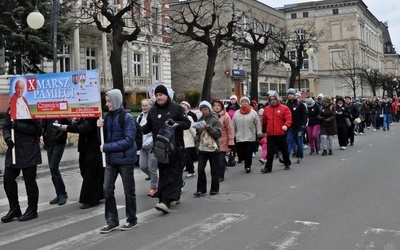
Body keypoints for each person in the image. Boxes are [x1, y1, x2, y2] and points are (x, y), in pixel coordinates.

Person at [141, 84, 191, 214]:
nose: (159, 97)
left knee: (172, 173)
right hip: (160, 149)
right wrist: (135, 127)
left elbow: (187, 124)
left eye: (161, 95)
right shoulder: (153, 111)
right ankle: (171, 196)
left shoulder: (176, 108)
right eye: (156, 95)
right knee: (163, 174)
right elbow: (147, 127)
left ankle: (165, 201)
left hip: (175, 147)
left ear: (166, 95)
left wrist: (177, 124)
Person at [97, 89, 138, 233]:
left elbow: (128, 141)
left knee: (129, 191)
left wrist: (107, 147)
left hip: (125, 159)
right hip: (111, 160)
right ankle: (112, 221)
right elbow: (103, 138)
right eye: (106, 101)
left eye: (108, 101)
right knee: (107, 190)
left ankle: (132, 219)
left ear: (115, 101)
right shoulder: (108, 117)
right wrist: (99, 128)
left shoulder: (126, 117)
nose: (106, 104)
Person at [2, 108, 42, 222]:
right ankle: (14, 208)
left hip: (29, 150)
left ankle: (32, 209)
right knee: (8, 179)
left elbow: (38, 130)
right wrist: (8, 138)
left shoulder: (31, 108)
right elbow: (6, 127)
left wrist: (18, 125)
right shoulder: (11, 109)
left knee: (29, 181)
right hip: (14, 151)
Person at [59, 117, 104, 209]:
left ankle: (89, 200)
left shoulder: (94, 116)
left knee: (89, 174)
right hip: (84, 148)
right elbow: (81, 126)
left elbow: (85, 128)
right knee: (84, 171)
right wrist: (75, 122)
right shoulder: (85, 117)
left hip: (93, 148)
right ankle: (98, 194)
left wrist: (67, 127)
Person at [193, 101, 221, 197]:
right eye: (202, 110)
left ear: (209, 109)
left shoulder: (215, 119)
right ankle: (201, 189)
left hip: (213, 148)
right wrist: (196, 139)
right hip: (202, 148)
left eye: (205, 109)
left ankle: (214, 188)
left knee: (214, 170)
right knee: (200, 169)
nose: (204, 111)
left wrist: (209, 128)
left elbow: (218, 134)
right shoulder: (200, 119)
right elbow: (198, 133)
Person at [261, 91, 292, 173]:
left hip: (281, 133)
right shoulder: (267, 109)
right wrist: (264, 130)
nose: (272, 101)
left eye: (274, 99)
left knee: (284, 149)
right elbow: (264, 121)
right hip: (271, 133)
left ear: (277, 99)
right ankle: (268, 167)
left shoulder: (284, 108)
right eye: (271, 99)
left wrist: (286, 125)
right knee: (270, 151)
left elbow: (288, 118)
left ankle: (287, 163)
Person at [42, 118, 70, 205]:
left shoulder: (62, 113)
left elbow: (69, 124)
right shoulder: (47, 113)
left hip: (59, 142)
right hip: (49, 142)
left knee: (53, 167)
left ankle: (62, 194)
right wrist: (43, 135)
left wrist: (60, 135)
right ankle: (59, 193)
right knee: (52, 169)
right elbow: (43, 126)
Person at [232, 96, 262, 174]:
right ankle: (243, 159)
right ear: (240, 103)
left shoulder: (253, 113)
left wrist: (259, 133)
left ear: (248, 103)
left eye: (246, 102)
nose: (244, 103)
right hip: (239, 136)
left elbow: (257, 124)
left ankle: (248, 166)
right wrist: (232, 134)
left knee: (248, 152)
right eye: (243, 102)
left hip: (250, 136)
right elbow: (233, 125)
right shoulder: (237, 113)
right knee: (241, 152)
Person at [137, 99, 158, 196]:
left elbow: (155, 131)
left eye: (147, 105)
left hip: (151, 145)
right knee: (143, 166)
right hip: (142, 145)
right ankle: (156, 179)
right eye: (143, 105)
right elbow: (138, 130)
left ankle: (154, 187)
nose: (144, 107)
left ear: (151, 106)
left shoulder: (154, 116)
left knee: (152, 167)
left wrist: (149, 142)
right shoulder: (140, 116)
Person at [211, 99, 234, 182]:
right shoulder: (211, 116)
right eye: (214, 105)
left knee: (220, 160)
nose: (216, 107)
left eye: (218, 105)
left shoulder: (226, 116)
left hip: (223, 141)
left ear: (221, 107)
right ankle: (215, 175)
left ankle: (220, 176)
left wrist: (231, 142)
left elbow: (230, 130)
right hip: (212, 142)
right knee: (215, 161)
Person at [285, 88, 308, 164]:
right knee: (289, 142)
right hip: (289, 127)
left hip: (299, 127)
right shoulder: (286, 104)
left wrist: (303, 124)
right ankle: (287, 157)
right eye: (289, 94)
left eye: (291, 94)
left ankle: (299, 156)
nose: (290, 96)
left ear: (294, 95)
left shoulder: (299, 104)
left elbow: (305, 115)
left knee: (299, 143)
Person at [181, 102, 197, 178]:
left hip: (188, 140)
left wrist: (196, 138)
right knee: (186, 157)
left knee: (187, 156)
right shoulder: (178, 118)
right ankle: (189, 168)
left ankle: (191, 170)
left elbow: (192, 129)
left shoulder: (189, 117)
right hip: (182, 140)